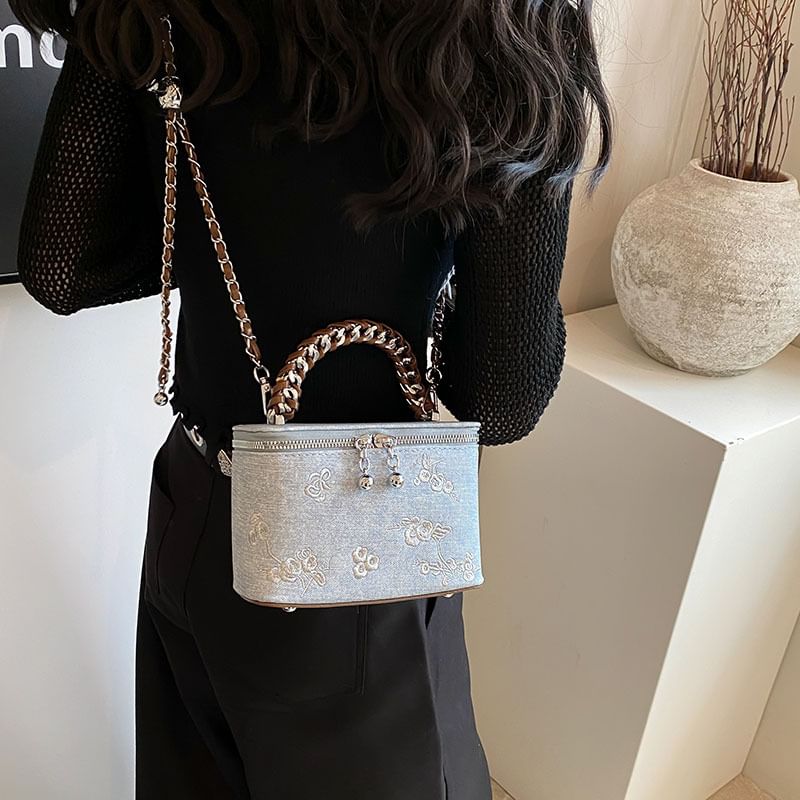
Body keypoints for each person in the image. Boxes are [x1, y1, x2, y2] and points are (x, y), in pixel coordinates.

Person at [11, 1, 613, 798]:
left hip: (194, 503)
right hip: (351, 545)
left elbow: (63, 266)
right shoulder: (495, 23)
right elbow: (504, 397)